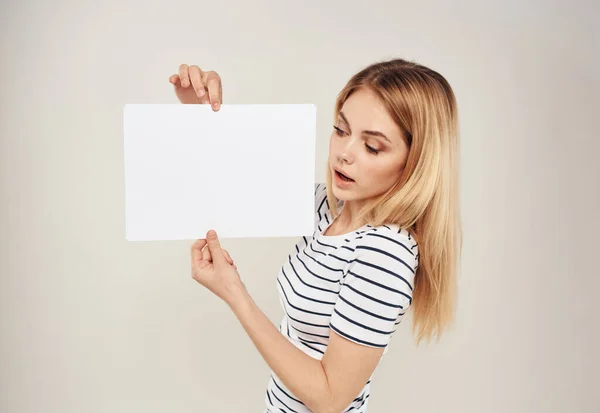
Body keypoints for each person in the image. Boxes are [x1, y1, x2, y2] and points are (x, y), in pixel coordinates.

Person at [172, 59, 462, 413]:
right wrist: (199, 115)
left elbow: (329, 398)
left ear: (415, 161)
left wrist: (235, 294)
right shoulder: (328, 204)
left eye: (372, 147)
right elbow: (228, 185)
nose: (344, 153)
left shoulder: (386, 254)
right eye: (341, 130)